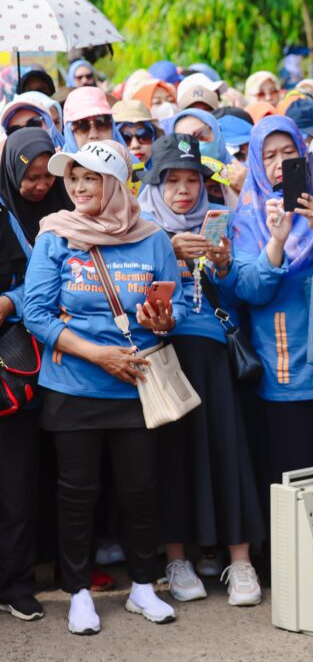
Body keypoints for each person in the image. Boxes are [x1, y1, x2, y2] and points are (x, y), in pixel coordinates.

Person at [24, 141, 185, 635]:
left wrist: (161, 321)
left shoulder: (153, 237)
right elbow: (36, 312)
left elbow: (172, 316)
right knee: (77, 493)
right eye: (71, 178)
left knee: (140, 490)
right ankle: (77, 593)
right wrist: (98, 355)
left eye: (88, 177)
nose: (75, 187)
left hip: (136, 385)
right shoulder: (56, 233)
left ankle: (141, 586)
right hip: (73, 384)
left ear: (114, 183)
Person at [135, 133, 265, 607]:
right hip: (163, 353)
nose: (184, 191)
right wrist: (169, 250)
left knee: (227, 451)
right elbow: (134, 292)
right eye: (173, 181)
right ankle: (177, 559)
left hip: (212, 354)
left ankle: (242, 562)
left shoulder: (221, 226)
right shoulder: (142, 229)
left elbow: (242, 296)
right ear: (156, 185)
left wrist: (224, 264)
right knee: (173, 455)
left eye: (193, 180)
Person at [232, 116, 313, 486]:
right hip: (285, 365)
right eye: (269, 155)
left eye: (288, 152)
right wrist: (275, 242)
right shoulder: (249, 212)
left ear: (304, 153)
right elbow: (249, 290)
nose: (279, 164)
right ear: (255, 161)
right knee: (296, 483)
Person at [0, 128, 73, 624]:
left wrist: (9, 302)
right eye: (29, 175)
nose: (40, 184)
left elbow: (55, 278)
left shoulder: (64, 213)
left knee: (16, 483)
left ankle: (16, 583)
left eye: (48, 174)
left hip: (16, 367)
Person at [62, 87, 124, 152]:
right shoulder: (60, 162)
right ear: (69, 133)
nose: (94, 135)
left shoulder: (131, 161)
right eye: (82, 125)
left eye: (102, 123)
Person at [113, 99, 157, 165]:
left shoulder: (168, 173)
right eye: (125, 138)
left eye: (144, 135)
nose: (135, 145)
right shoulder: (98, 175)